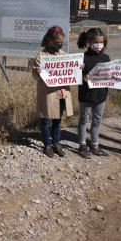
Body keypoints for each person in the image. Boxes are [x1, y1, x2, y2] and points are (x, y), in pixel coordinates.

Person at [31, 26, 73, 158]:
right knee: (46, 119)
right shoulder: (41, 56)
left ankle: (56, 142)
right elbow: (34, 76)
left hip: (60, 91)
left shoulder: (64, 56)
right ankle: (47, 144)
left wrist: (77, 67)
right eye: (56, 43)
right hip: (48, 93)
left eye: (61, 43)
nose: (59, 45)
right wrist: (37, 72)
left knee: (58, 119)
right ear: (49, 41)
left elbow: (71, 71)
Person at [76, 27, 110, 159]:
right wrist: (82, 75)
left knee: (97, 120)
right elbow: (74, 75)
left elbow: (110, 74)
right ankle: (82, 145)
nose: (99, 45)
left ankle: (95, 145)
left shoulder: (106, 57)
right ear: (88, 42)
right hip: (86, 95)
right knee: (84, 119)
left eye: (101, 42)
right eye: (96, 42)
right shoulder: (83, 58)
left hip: (101, 95)